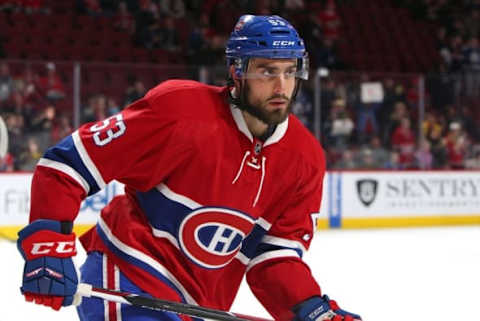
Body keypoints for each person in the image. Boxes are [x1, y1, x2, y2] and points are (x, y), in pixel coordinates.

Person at [16, 15, 361, 321]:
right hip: (128, 271)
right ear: (236, 72)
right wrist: (47, 243)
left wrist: (312, 309)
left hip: (195, 305)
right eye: (266, 71)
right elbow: (68, 164)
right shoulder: (180, 112)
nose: (281, 86)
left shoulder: (305, 158)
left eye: (289, 71)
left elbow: (275, 257)